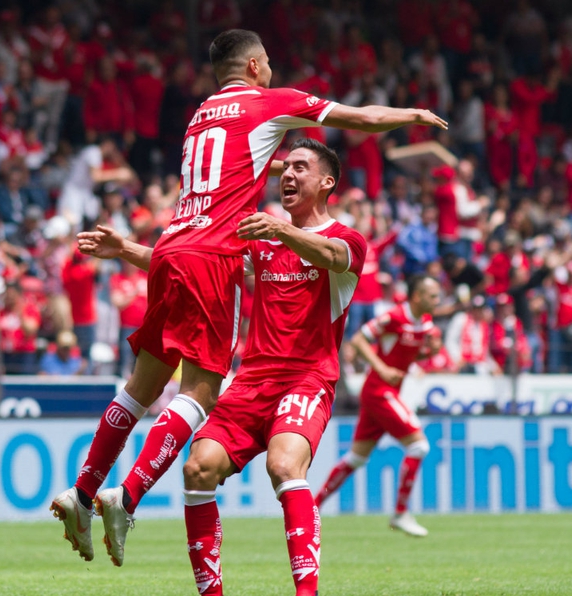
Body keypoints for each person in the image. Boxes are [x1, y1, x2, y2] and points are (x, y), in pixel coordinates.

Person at [49, 29, 445, 566]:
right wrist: (413, 115)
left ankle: (83, 491)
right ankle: (129, 494)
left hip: (171, 247)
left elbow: (240, 172)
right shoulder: (270, 104)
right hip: (214, 255)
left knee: (138, 390)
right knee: (199, 393)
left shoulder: (198, 118)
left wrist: (127, 250)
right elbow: (362, 119)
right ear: (257, 65)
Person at [75, 139, 365, 594]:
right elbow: (195, 266)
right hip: (250, 382)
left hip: (306, 381)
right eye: (285, 167)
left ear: (328, 182)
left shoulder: (345, 240)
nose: (288, 175)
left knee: (285, 465)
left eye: (301, 168)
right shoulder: (264, 240)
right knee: (198, 468)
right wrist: (125, 248)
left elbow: (328, 257)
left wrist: (277, 228)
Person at [313, 274, 442, 537]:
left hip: (386, 391)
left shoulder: (425, 322)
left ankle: (312, 508)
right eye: (432, 296)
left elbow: (409, 352)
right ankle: (400, 513)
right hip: (378, 390)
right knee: (419, 445)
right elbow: (359, 339)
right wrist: (381, 368)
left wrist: (430, 352)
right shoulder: (395, 317)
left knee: (356, 458)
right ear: (417, 297)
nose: (437, 301)